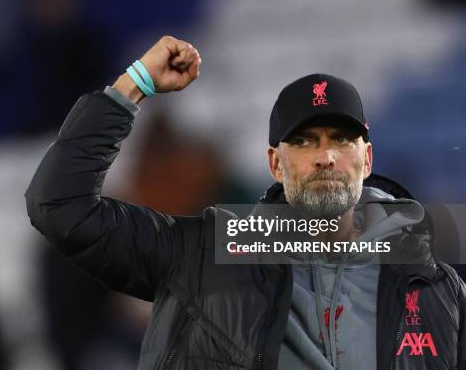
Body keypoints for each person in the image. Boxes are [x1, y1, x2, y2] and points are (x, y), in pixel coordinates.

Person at [25, 36, 466, 369]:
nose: (325, 156)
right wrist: (133, 85)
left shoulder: (437, 289)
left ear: (366, 158)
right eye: (305, 141)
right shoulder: (202, 256)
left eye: (342, 140)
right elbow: (61, 206)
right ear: (275, 163)